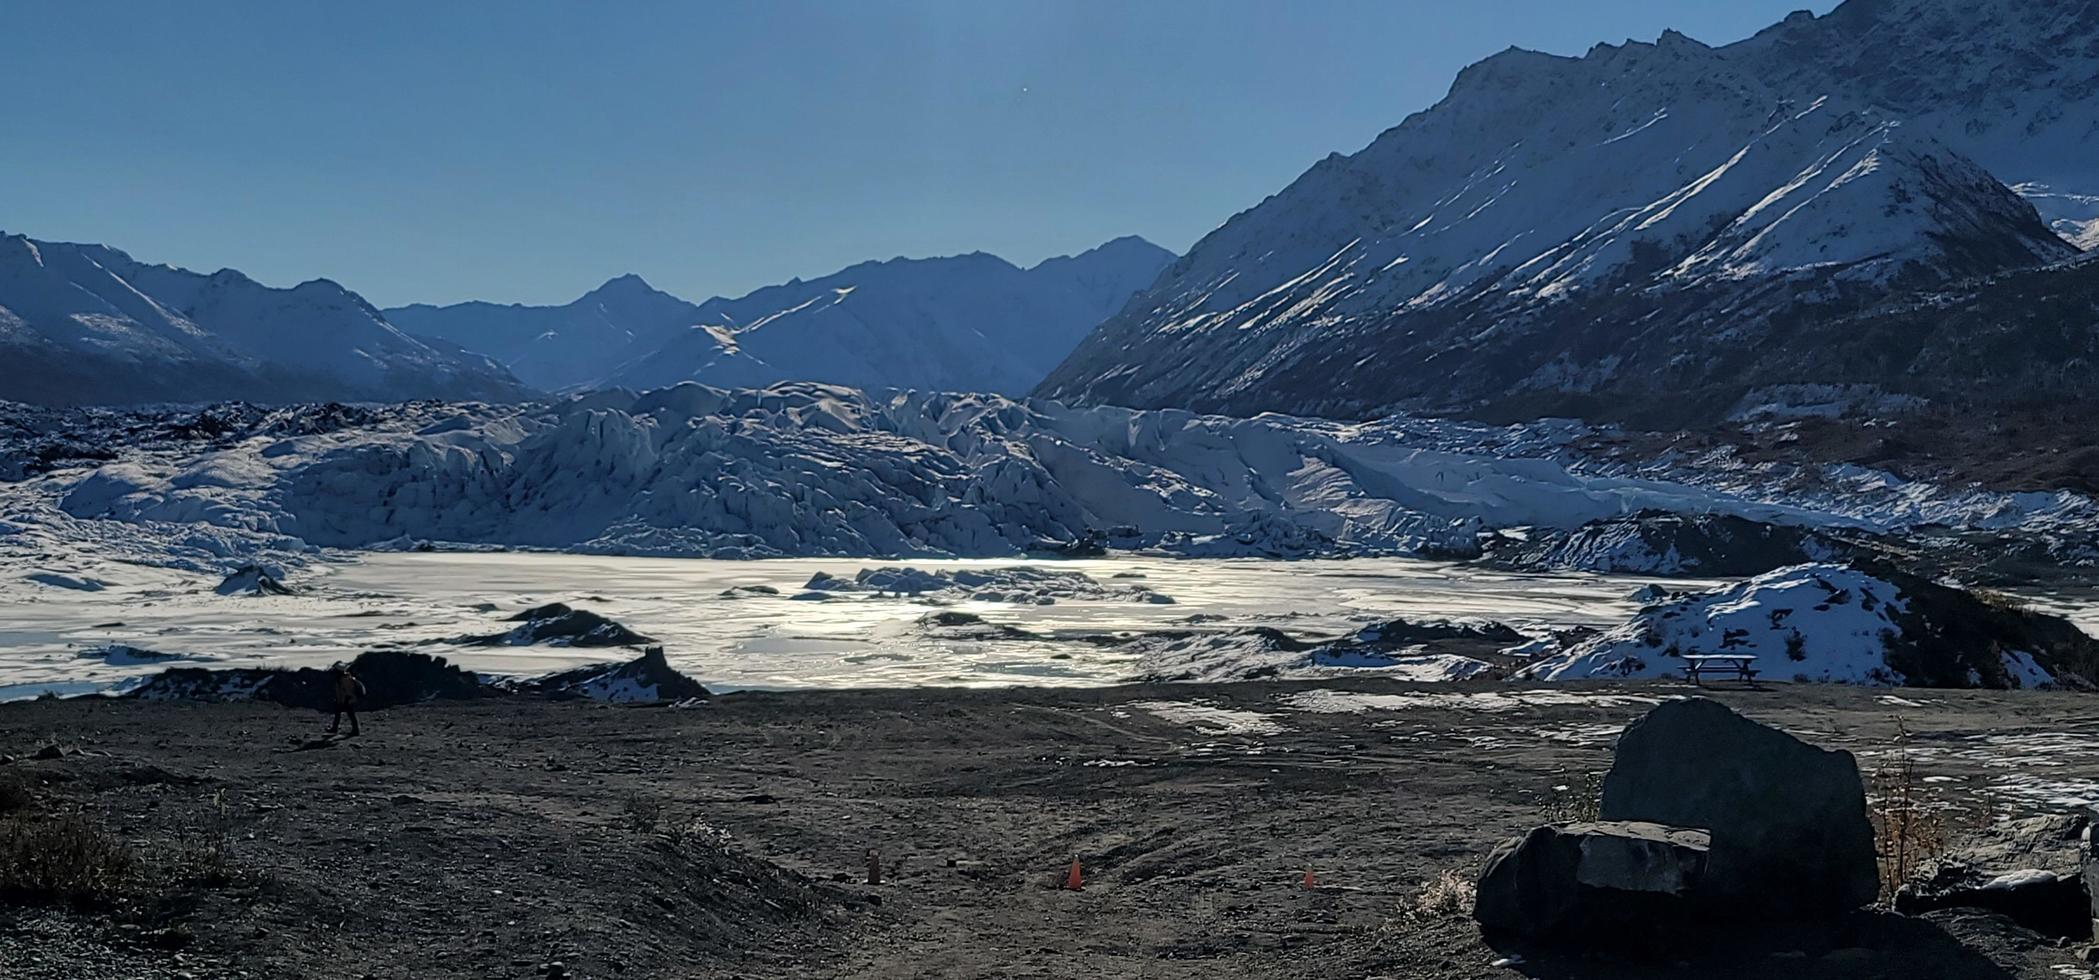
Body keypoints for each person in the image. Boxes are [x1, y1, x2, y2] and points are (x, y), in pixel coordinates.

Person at [327, 663, 366, 736]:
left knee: (350, 715)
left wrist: (343, 700)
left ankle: (355, 731)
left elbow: (347, 691)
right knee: (342, 714)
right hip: (346, 700)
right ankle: (336, 728)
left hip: (347, 700)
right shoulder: (344, 678)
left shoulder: (345, 679)